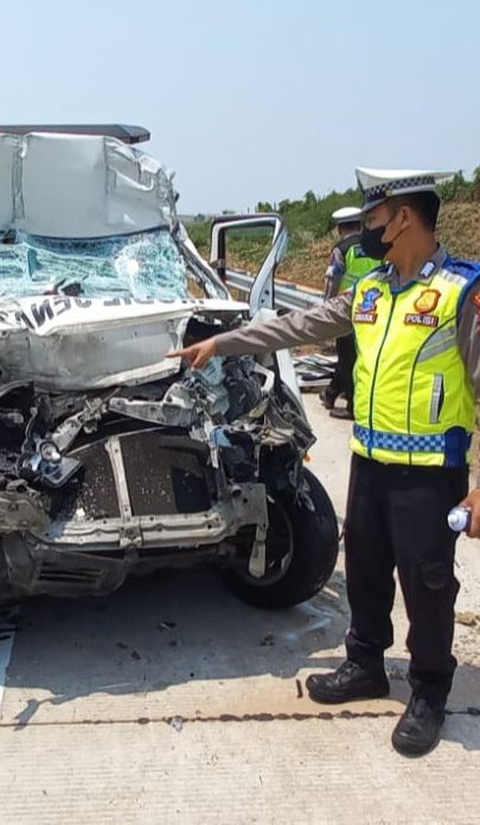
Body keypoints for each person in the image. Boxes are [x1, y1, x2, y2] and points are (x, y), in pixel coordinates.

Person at [168, 167, 480, 757]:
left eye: (371, 219)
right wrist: (220, 342)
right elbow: (295, 325)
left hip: (432, 473)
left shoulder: (462, 292)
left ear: (403, 217)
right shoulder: (370, 292)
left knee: (427, 583)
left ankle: (430, 690)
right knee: (363, 568)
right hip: (370, 462)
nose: (365, 230)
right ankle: (365, 663)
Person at [323, 206, 380, 419]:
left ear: (340, 229)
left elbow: (333, 279)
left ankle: (352, 407)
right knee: (361, 356)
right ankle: (331, 392)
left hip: (346, 310)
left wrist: (327, 307)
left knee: (347, 357)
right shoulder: (376, 246)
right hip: (375, 309)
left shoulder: (342, 249)